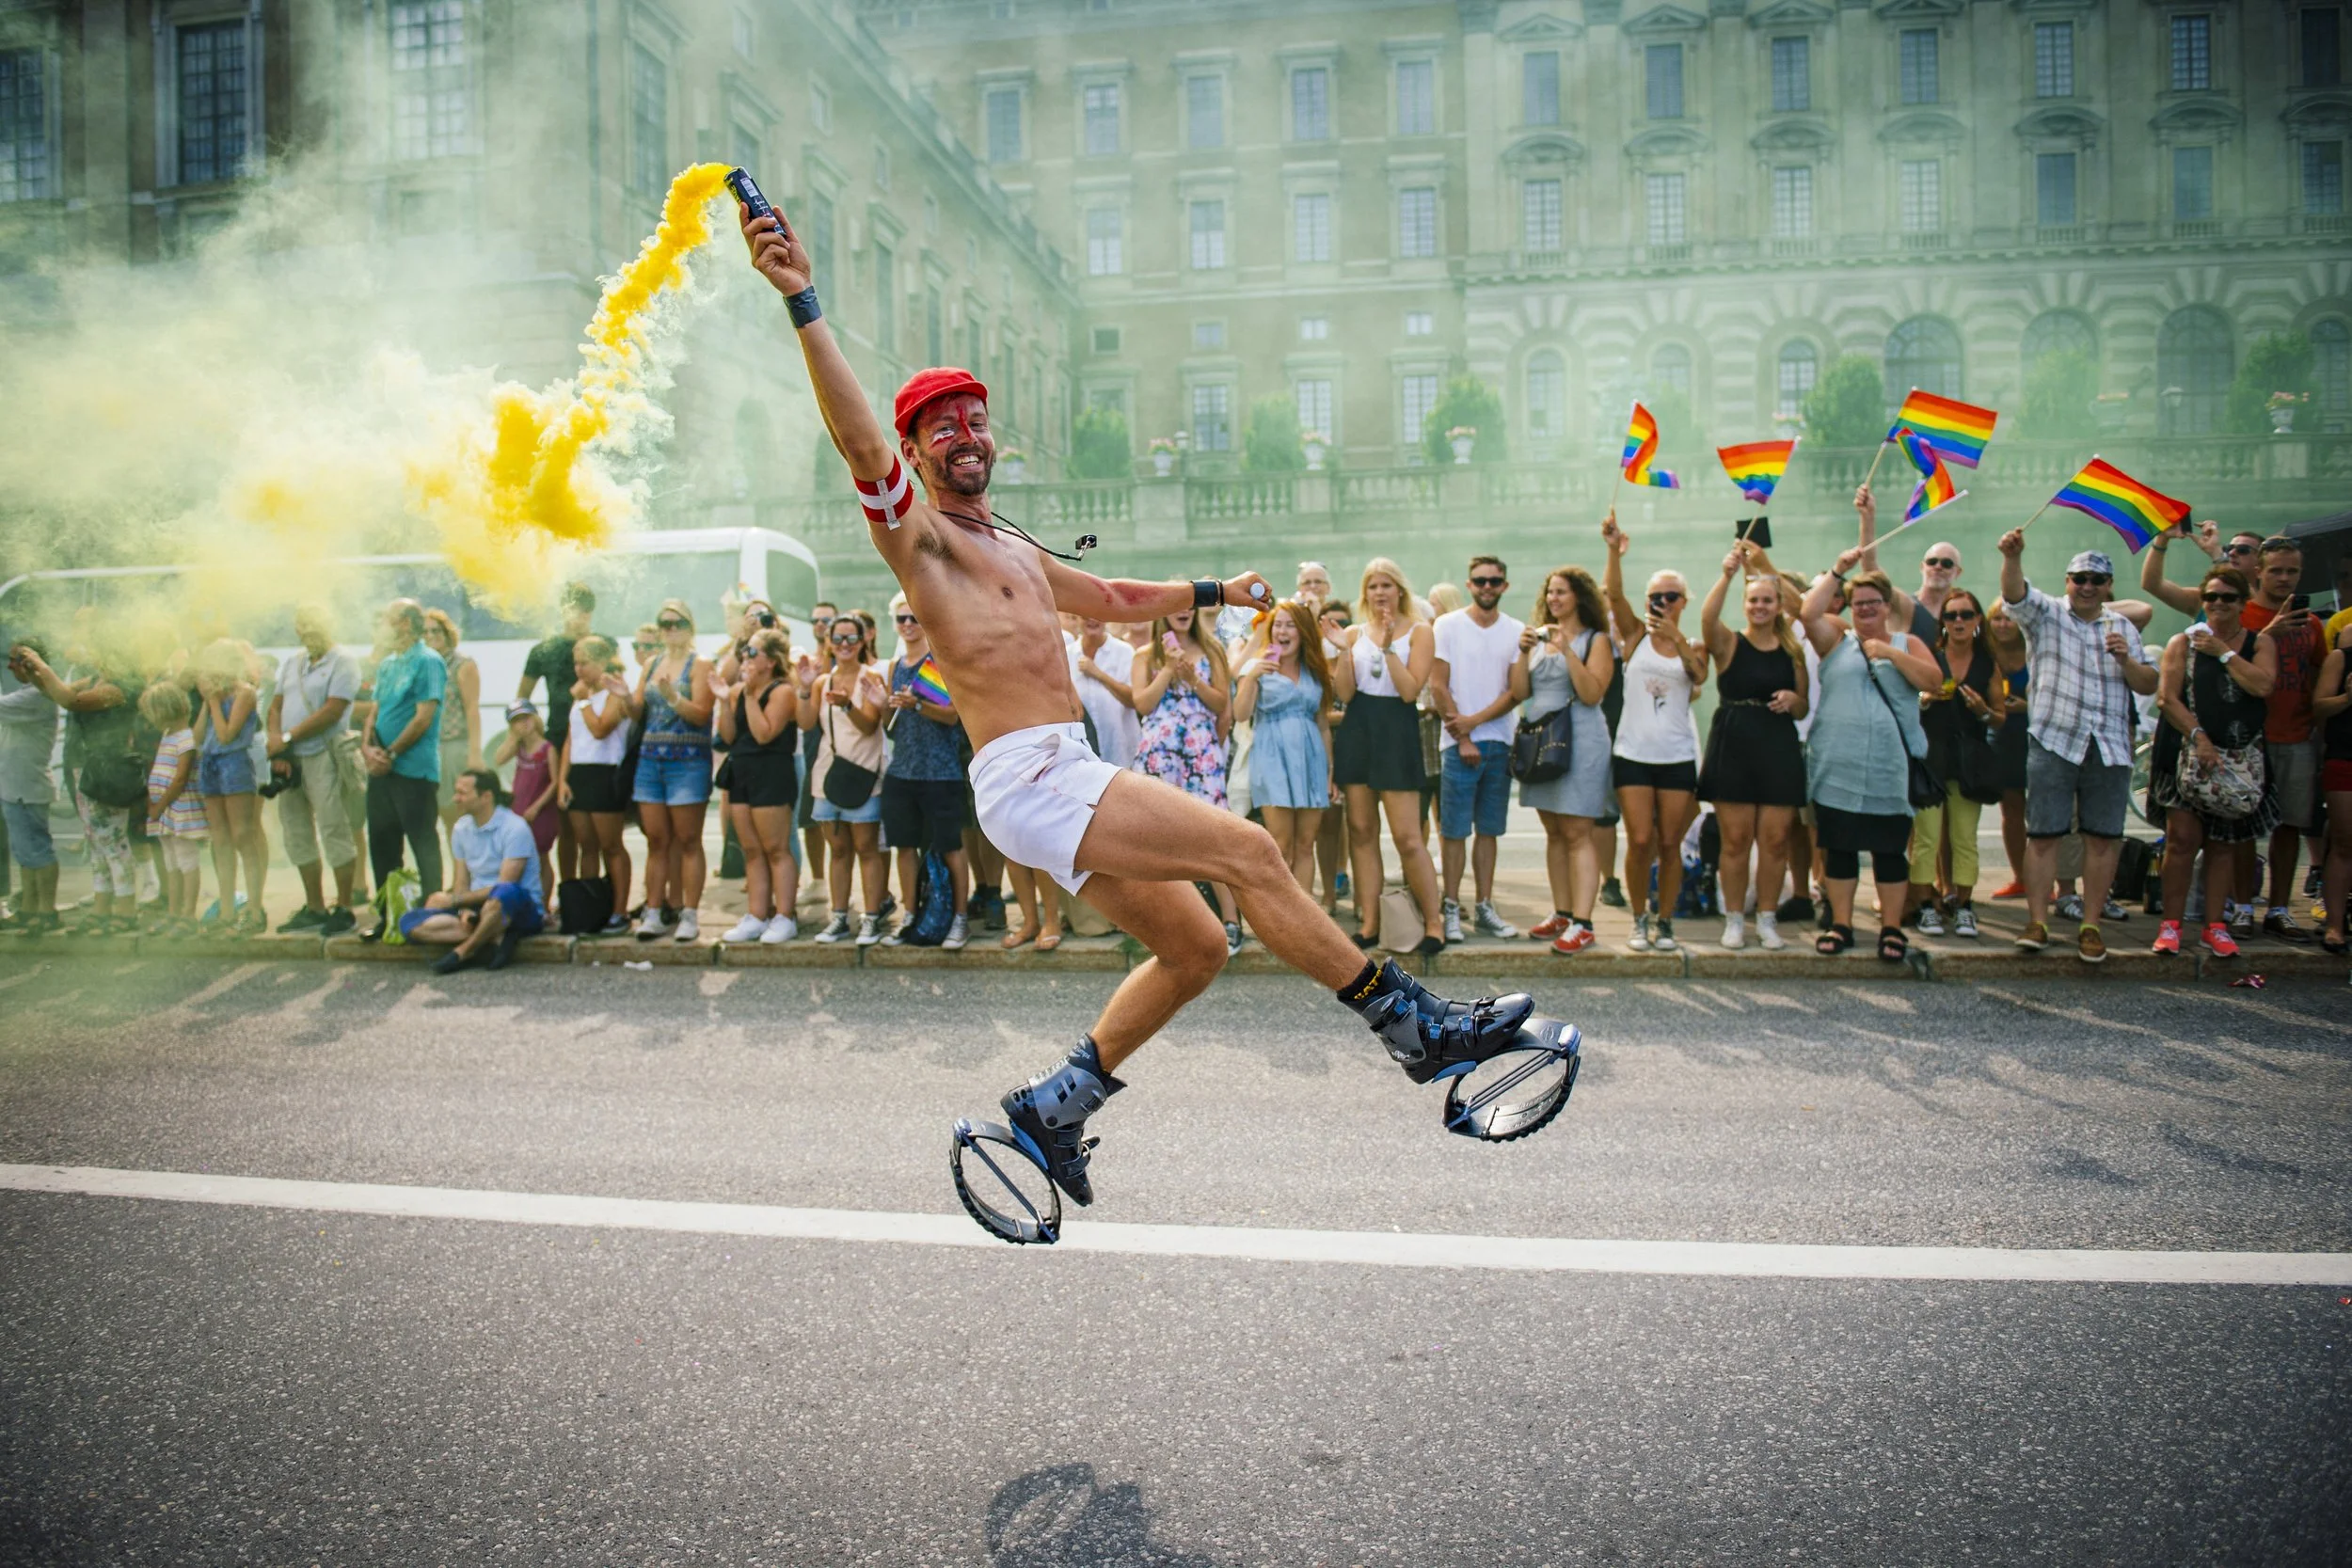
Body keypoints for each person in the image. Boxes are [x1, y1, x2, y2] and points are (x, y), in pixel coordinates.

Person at [741, 196, 1547, 1221]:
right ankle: (1413, 1027)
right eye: (940, 427)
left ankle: (1051, 1107)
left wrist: (1219, 591)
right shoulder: (925, 544)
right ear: (914, 448)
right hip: (1032, 774)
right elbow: (858, 440)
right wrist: (802, 296)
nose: (965, 435)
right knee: (1251, 854)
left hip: (1049, 777)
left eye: (976, 419)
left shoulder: (1018, 551)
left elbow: (1118, 600)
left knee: (1199, 946)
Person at [1998, 535, 2158, 962]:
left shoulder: (2122, 627)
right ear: (2067, 582)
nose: (2087, 586)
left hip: (2108, 744)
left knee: (2103, 839)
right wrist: (2012, 557)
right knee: (2044, 835)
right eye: (2079, 579)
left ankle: (2091, 926)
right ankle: (2038, 921)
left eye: (2097, 580)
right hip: (2054, 739)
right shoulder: (2047, 614)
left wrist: (2126, 660)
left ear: (2109, 586)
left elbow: (2149, 684)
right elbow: (2014, 594)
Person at [1800, 529, 1941, 960]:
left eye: (1872, 603)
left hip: (1887, 770)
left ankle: (1891, 928)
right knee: (1839, 850)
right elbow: (1808, 613)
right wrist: (1839, 570)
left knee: (1888, 852)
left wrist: (1891, 654)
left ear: (1885, 607)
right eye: (1858, 603)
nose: (1864, 609)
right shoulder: (1835, 641)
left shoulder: (1907, 642)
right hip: (1836, 769)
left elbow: (1935, 682)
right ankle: (1842, 924)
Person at [2149, 563, 2276, 958]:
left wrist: (2223, 653)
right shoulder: (2181, 643)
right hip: (2186, 751)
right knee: (2182, 840)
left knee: (2223, 844)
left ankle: (2214, 926)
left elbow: (2263, 684)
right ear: (2201, 601)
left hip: (2238, 759)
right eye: (2210, 597)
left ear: (2244, 602)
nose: (2218, 604)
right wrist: (2199, 738)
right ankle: (2170, 925)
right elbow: (2166, 699)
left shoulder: (2258, 644)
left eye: (2227, 597)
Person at [1600, 511, 1705, 953]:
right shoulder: (1634, 635)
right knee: (1640, 839)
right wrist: (1612, 549)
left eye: (1671, 595)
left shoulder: (1694, 644)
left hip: (1677, 753)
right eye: (1656, 596)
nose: (1662, 602)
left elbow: (1698, 676)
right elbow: (1614, 592)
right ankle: (1639, 918)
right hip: (1634, 752)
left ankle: (1666, 920)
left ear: (1684, 601)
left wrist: (1678, 640)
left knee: (1670, 842)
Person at [1696, 544, 1807, 951]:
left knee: (1776, 839)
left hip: (1778, 744)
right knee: (1736, 840)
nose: (1760, 606)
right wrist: (1727, 574)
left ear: (1779, 605)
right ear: (1744, 605)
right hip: (1735, 743)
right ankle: (1734, 919)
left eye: (1768, 600)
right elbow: (1708, 618)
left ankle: (1767, 918)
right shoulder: (1729, 643)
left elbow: (1803, 704)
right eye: (1754, 600)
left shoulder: (1792, 649)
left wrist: (1795, 702)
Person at [1331, 558, 1444, 954]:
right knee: (1361, 832)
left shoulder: (1420, 631)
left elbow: (1411, 691)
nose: (1380, 593)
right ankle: (1370, 921)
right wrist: (1345, 653)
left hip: (1397, 731)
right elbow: (1345, 694)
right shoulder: (1353, 631)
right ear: (1365, 593)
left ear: (1400, 590)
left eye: (1386, 585)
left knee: (1407, 837)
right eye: (1372, 586)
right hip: (1359, 728)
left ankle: (1434, 922)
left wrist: (1388, 648)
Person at [1513, 566, 1616, 955]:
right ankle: (1562, 911)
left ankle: (1584, 922)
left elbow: (1592, 693)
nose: (1554, 599)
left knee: (1577, 832)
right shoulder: (1538, 640)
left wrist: (1567, 649)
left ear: (1580, 598)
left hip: (1582, 740)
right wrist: (1524, 653)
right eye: (1550, 592)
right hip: (1541, 741)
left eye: (1562, 593)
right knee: (1554, 830)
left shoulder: (1597, 640)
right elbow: (1520, 691)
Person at [1133, 602, 1241, 953]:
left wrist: (1193, 678)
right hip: (1159, 753)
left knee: (1213, 836)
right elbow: (1143, 704)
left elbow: (1221, 703)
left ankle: (1231, 920)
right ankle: (1169, 925)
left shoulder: (1212, 650)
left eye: (1190, 607)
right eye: (1177, 607)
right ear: (1162, 613)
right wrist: (1167, 669)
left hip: (1200, 753)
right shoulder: (1145, 655)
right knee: (1160, 838)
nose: (1184, 612)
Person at [1430, 555, 1525, 942]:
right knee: (1453, 832)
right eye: (1480, 581)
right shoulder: (1447, 625)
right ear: (1469, 584)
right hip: (1457, 745)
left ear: (1504, 585)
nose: (1487, 587)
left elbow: (1517, 691)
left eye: (1494, 581)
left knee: (1489, 831)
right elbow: (1438, 685)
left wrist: (1475, 723)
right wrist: (1464, 735)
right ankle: (1451, 906)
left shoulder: (1517, 630)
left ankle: (1485, 905)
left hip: (1501, 742)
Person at [1905, 589, 2008, 938]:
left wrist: (1983, 711)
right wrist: (1926, 698)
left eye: (1966, 615)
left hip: (1968, 761)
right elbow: (1908, 700)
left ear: (1978, 621)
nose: (1959, 622)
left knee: (1964, 837)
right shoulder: (1931, 656)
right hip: (1931, 757)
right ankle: (1925, 905)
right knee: (1926, 837)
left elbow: (2000, 717)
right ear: (1943, 623)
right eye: (1951, 616)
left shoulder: (1987, 663)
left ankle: (1964, 905)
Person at [881, 594, 972, 950]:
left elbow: (952, 716)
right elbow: (891, 725)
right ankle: (910, 915)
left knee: (951, 846)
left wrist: (916, 704)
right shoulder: (895, 666)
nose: (907, 625)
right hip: (902, 770)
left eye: (914, 618)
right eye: (901, 619)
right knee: (904, 847)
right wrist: (884, 705)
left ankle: (960, 919)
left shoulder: (940, 662)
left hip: (941, 771)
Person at [265, 607, 360, 935]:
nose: (306, 631)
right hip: (292, 758)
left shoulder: (343, 661)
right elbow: (275, 706)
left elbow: (334, 710)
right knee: (295, 831)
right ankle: (315, 905)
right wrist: (278, 743)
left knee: (334, 826)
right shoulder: (293, 662)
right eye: (301, 625)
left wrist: (287, 738)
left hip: (324, 753)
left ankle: (345, 906)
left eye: (312, 624)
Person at [398, 768, 548, 974]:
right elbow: (461, 882)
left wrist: (455, 901)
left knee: (501, 895)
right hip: (478, 908)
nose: (455, 798)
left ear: (486, 796)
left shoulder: (515, 828)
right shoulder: (461, 828)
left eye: (462, 793)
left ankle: (465, 951)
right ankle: (495, 936)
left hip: (517, 907)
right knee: (409, 922)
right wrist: (464, 910)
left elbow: (504, 885)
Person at [1233, 599, 1336, 897]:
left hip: (1310, 759)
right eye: (1278, 624)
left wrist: (1330, 771)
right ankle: (1280, 917)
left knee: (1306, 844)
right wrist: (1252, 677)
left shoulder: (1315, 669)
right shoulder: (1258, 666)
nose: (1282, 631)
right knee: (1280, 844)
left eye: (1290, 625)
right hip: (1272, 756)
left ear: (1303, 632)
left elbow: (1323, 723)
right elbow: (1240, 714)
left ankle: (1305, 920)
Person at [628, 599, 714, 942]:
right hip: (651, 759)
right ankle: (653, 911)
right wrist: (622, 698)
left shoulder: (701, 664)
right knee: (656, 841)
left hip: (689, 760)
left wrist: (673, 697)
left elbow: (701, 714)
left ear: (690, 627)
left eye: (676, 623)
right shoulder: (651, 663)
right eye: (664, 624)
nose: (670, 629)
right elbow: (638, 711)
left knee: (689, 840)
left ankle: (690, 913)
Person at [803, 610, 890, 945]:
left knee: (867, 848)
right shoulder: (823, 682)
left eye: (851, 638)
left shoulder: (871, 678)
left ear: (862, 640)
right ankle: (838, 917)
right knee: (838, 849)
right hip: (828, 774)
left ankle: (870, 918)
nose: (844, 644)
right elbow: (806, 723)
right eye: (837, 638)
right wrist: (804, 688)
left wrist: (845, 705)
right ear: (828, 642)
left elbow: (870, 726)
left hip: (865, 774)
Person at [716, 628, 802, 943]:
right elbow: (727, 737)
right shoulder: (739, 690)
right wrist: (725, 701)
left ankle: (785, 915)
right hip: (741, 770)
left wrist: (751, 694)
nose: (745, 658)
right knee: (752, 850)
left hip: (771, 771)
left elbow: (765, 733)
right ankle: (756, 913)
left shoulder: (782, 691)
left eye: (752, 653)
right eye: (744, 651)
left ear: (770, 661)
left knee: (776, 848)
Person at [361, 598, 446, 902]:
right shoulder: (387, 663)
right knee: (382, 844)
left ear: (406, 623)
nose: (381, 625)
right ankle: (389, 914)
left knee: (422, 842)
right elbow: (374, 712)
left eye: (387, 618)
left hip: (413, 769)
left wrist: (391, 754)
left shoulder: (428, 661)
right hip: (381, 769)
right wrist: (368, 750)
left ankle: (432, 907)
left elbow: (424, 717)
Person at [518, 583, 597, 881]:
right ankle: (568, 892)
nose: (579, 615)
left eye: (585, 609)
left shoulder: (601, 645)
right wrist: (534, 731)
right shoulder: (544, 650)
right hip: (559, 736)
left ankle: (592, 893)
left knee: (591, 828)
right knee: (565, 826)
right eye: (574, 608)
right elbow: (522, 699)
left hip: (594, 739)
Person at [556, 634, 634, 934]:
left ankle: (619, 910)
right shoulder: (581, 696)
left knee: (610, 845)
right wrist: (563, 779)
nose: (579, 669)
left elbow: (601, 729)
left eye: (585, 663)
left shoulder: (610, 694)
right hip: (580, 773)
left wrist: (584, 701)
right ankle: (590, 907)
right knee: (586, 845)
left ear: (603, 663)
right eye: (576, 663)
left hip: (605, 772)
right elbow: (570, 739)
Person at [192, 641, 268, 935]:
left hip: (234, 763)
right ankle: (226, 908)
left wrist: (212, 701)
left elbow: (226, 735)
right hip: (210, 765)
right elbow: (199, 737)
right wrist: (205, 702)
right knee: (220, 838)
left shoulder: (244, 693)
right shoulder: (214, 696)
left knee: (242, 835)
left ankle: (254, 907)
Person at [0, 641, 63, 934]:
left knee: (38, 851)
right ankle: (29, 908)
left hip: (28, 786)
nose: (10, 666)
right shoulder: (29, 694)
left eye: (15, 661)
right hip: (16, 786)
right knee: (25, 852)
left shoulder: (38, 697)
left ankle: (46, 911)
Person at [138, 683, 206, 936]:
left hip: (177, 807)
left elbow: (180, 778)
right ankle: (174, 912)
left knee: (186, 859)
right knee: (171, 862)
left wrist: (158, 806)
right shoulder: (169, 735)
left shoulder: (186, 739)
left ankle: (187, 914)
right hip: (165, 810)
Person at [491, 701, 559, 913]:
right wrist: (513, 737)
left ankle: (545, 906)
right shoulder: (518, 748)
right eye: (517, 721)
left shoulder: (547, 749)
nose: (523, 724)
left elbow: (555, 782)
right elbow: (498, 759)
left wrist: (537, 807)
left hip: (541, 810)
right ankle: (524, 902)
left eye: (526, 718)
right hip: (519, 807)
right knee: (519, 854)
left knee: (541, 856)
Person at [423, 609, 483, 842]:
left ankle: (466, 875)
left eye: (435, 630)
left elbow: (472, 708)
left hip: (454, 746)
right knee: (442, 815)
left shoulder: (462, 665)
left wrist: (475, 753)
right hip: (429, 748)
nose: (430, 636)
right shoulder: (424, 665)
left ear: (447, 633)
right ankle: (458, 874)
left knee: (460, 814)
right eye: (424, 632)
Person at [2314, 621, 2352, 953]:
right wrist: (2347, 697)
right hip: (2345, 757)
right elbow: (2319, 705)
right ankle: (2335, 926)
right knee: (2344, 843)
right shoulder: (2342, 656)